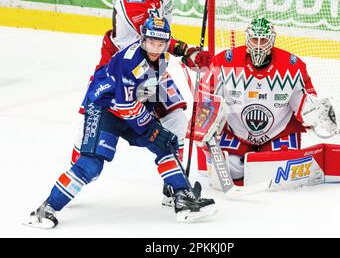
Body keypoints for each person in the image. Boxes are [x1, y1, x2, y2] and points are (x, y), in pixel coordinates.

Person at [24, 17, 217, 229]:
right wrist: (153, 129)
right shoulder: (130, 62)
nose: (156, 48)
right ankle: (46, 209)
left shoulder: (160, 53)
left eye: (161, 44)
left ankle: (183, 200)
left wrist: (189, 52)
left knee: (166, 145)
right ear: (143, 39)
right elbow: (125, 106)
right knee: (91, 165)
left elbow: (167, 45)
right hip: (104, 108)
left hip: (132, 107)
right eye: (152, 42)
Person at [71, 0, 221, 171]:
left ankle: (175, 184)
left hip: (153, 67)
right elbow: (154, 39)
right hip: (118, 69)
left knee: (176, 118)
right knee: (98, 115)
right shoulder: (130, 2)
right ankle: (78, 166)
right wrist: (187, 51)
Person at [198, 17, 340, 186]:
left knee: (277, 170)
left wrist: (319, 114)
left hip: (278, 133)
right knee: (230, 169)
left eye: (264, 40)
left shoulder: (292, 67)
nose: (259, 45)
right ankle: (244, 159)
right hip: (235, 132)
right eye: (254, 39)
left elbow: (304, 103)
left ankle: (262, 158)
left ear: (272, 40)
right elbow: (206, 94)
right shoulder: (226, 62)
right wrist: (204, 125)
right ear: (247, 39)